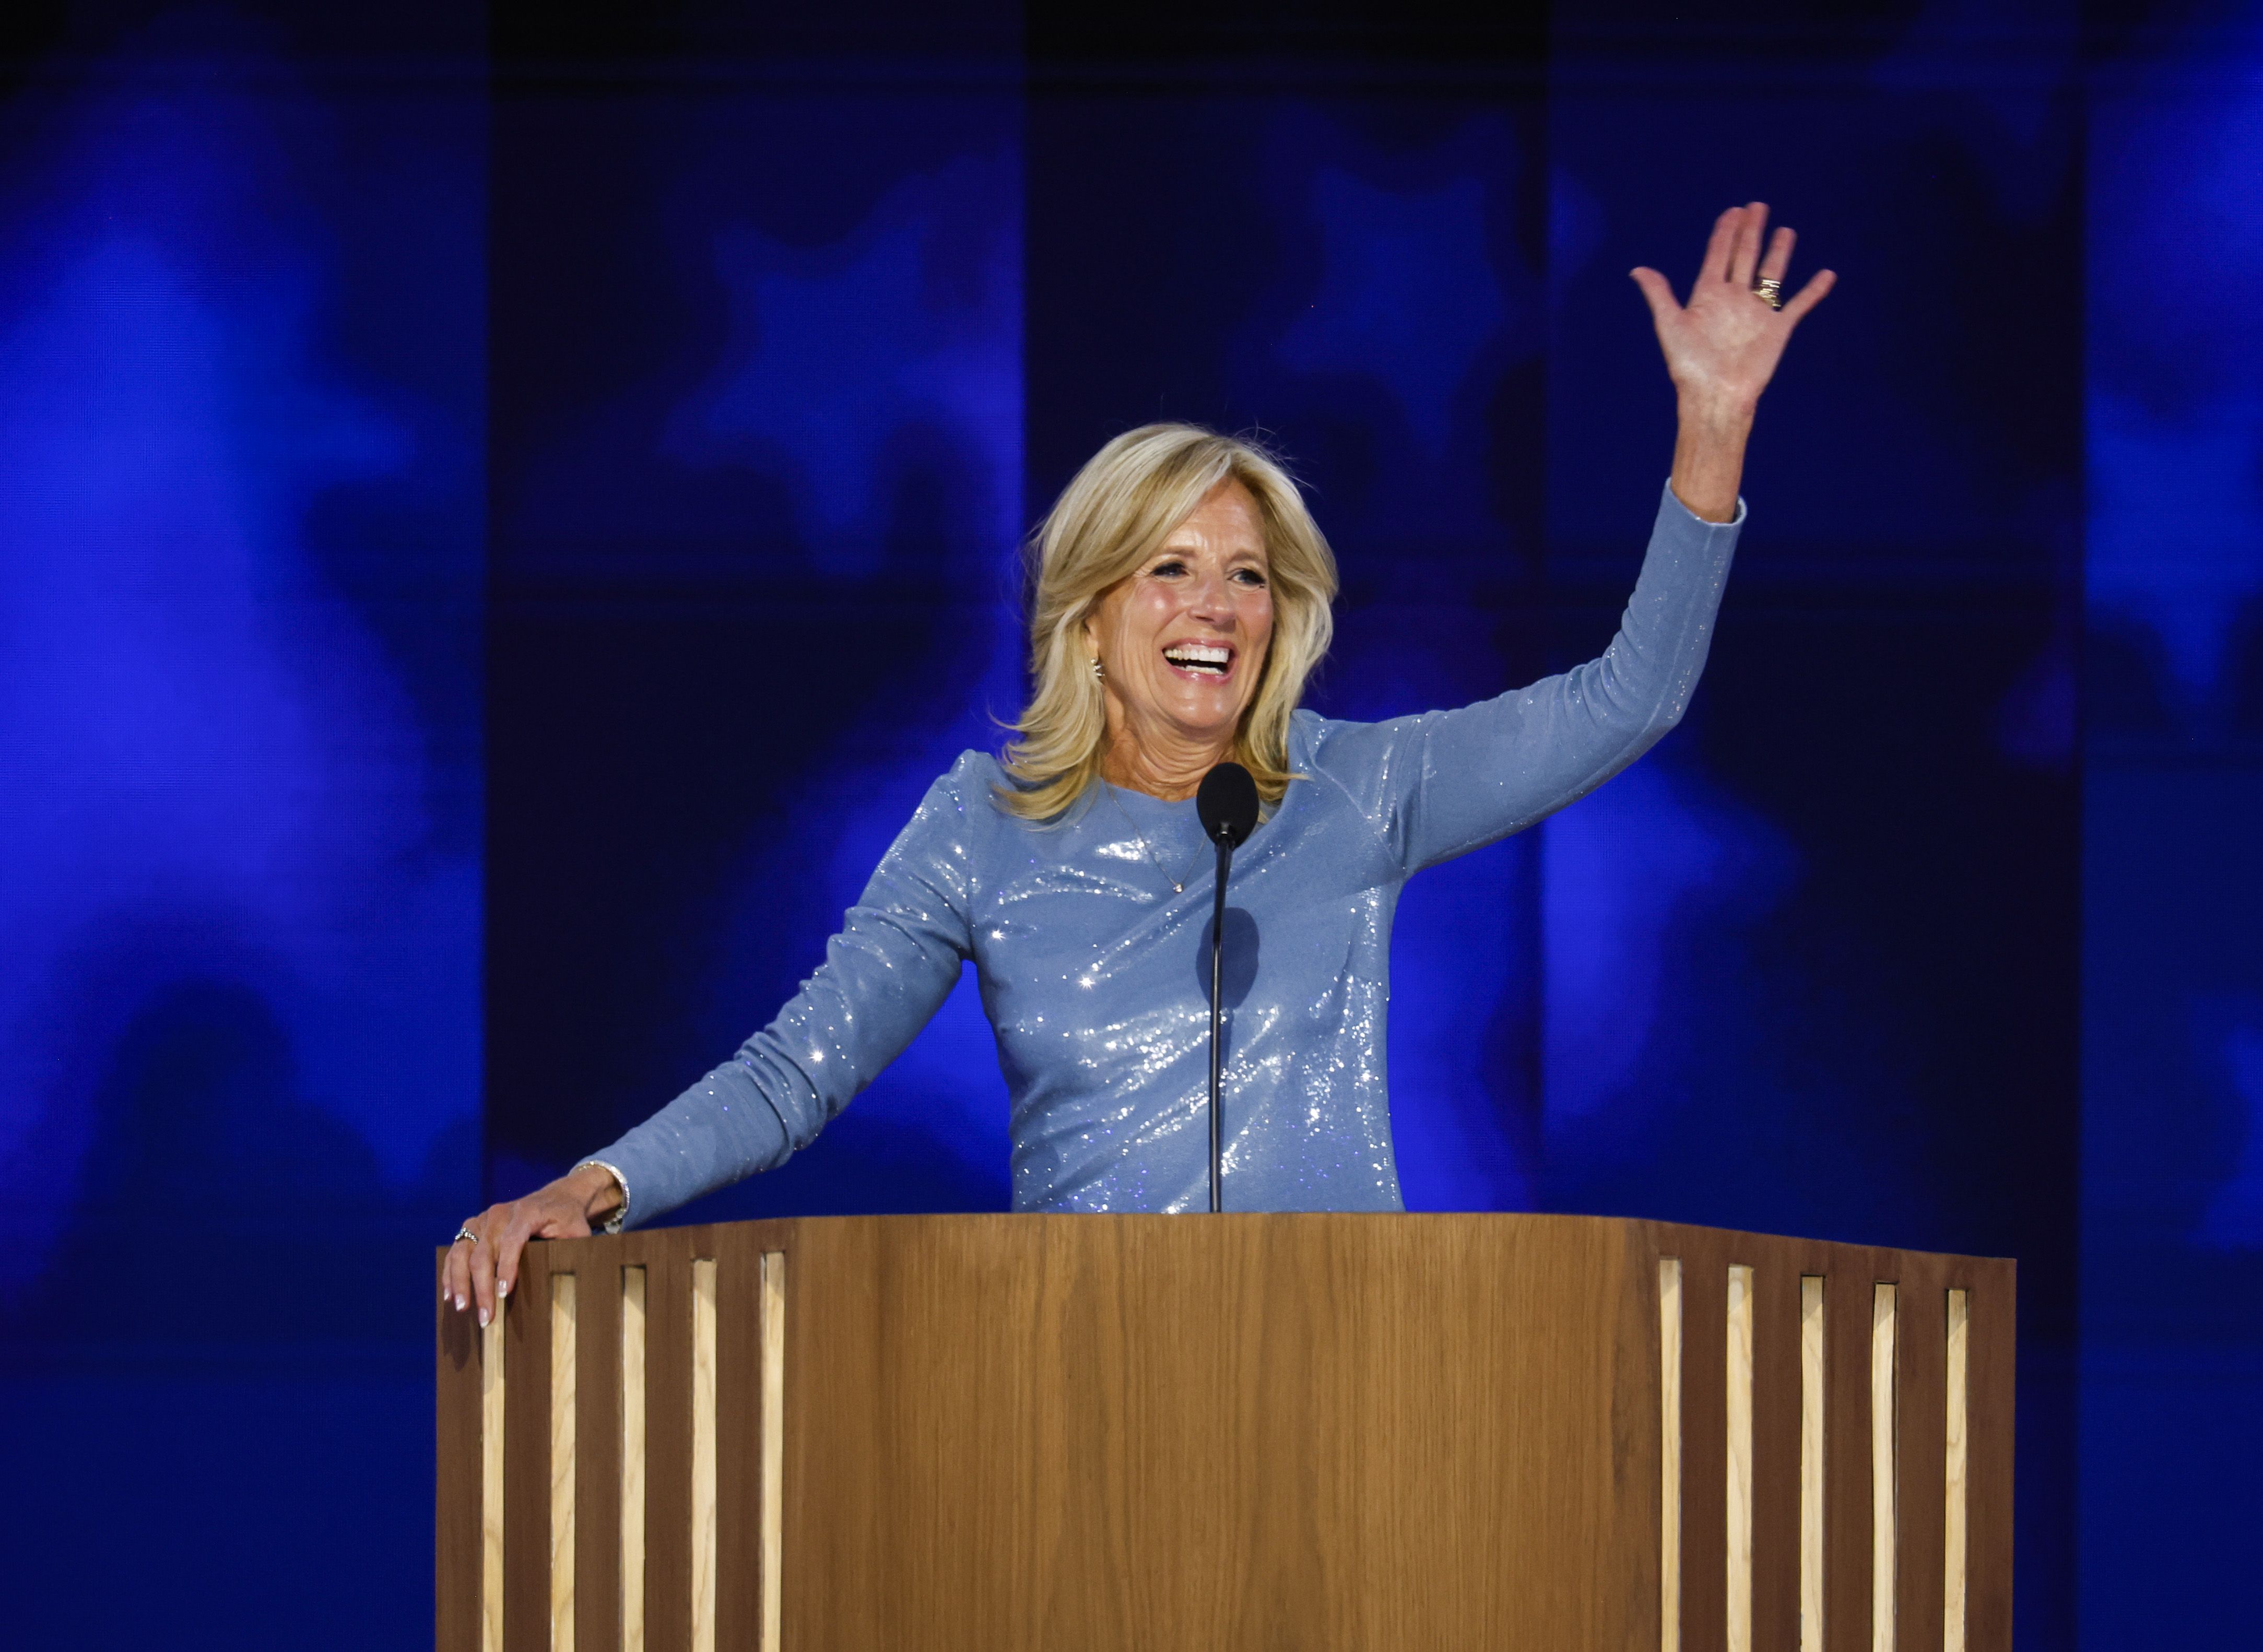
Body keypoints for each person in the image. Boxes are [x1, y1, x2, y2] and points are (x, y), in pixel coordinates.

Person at [445, 202, 1832, 1323]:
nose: (1214, 606)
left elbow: (1628, 699)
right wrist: (594, 1187)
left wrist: (1711, 427)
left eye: (1248, 576)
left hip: (1356, 1373)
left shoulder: (1357, 790)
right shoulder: (982, 823)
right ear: (1091, 613)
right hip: (1087, 1388)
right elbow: (793, 1073)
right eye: (1169, 568)